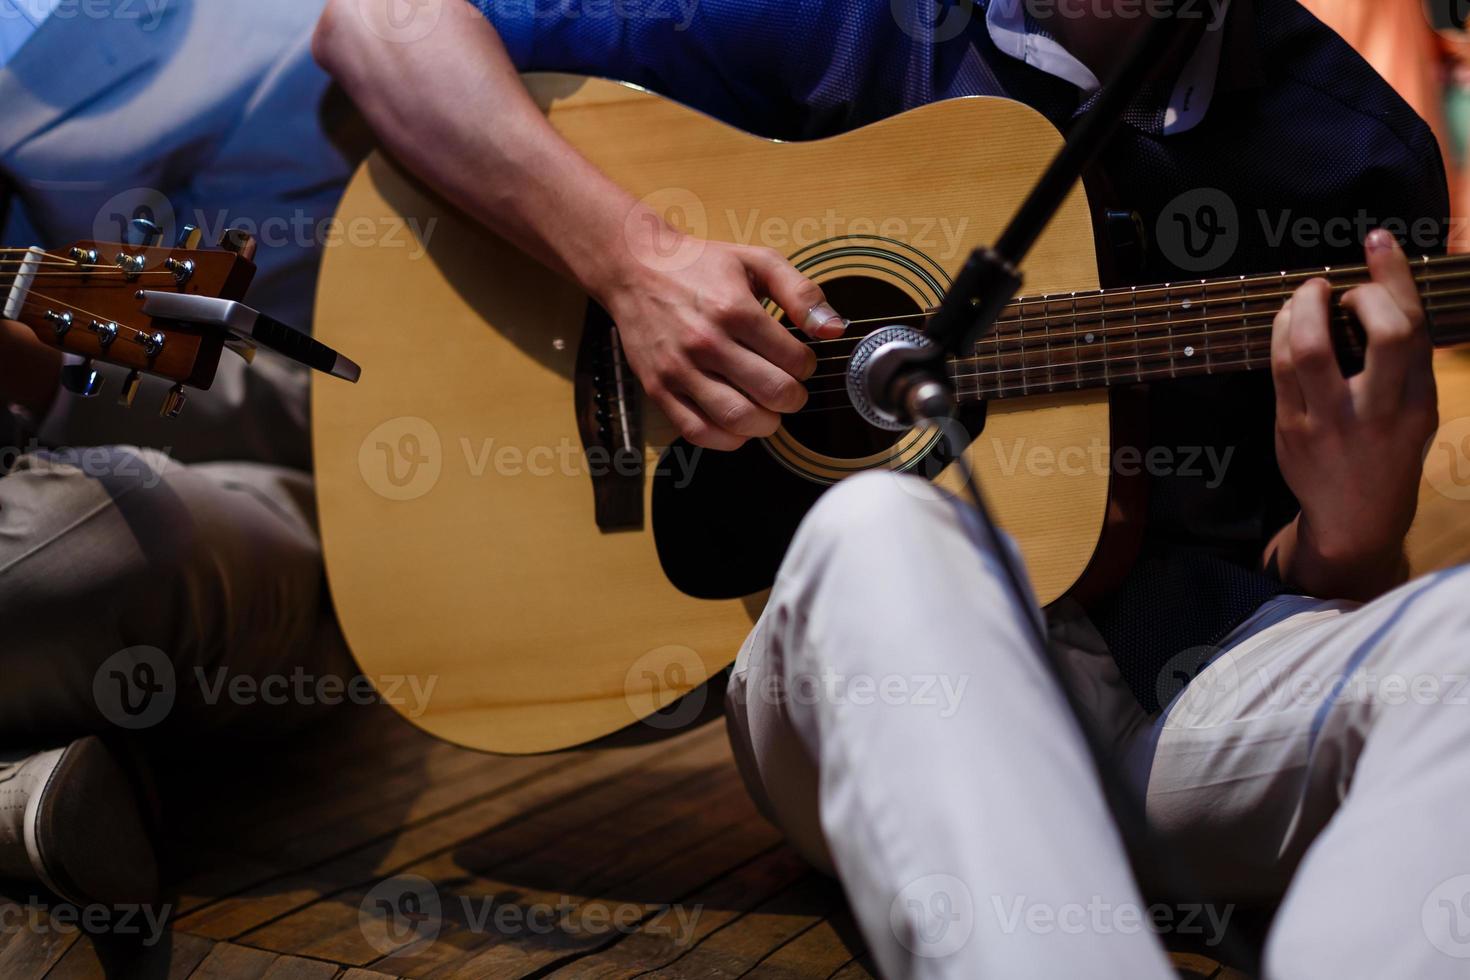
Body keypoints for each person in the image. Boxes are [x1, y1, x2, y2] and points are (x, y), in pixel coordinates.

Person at [315, 0, 1463, 974]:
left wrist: (1352, 534)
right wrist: (633, 260)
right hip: (880, 676)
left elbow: (1304, 586)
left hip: (1180, 715)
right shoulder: (849, 18)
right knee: (881, 518)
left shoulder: (1355, 153)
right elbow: (376, 26)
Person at [0, 0, 356, 909]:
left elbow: (313, 400)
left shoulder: (262, 47)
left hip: (176, 495)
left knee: (96, 535)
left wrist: (36, 370)